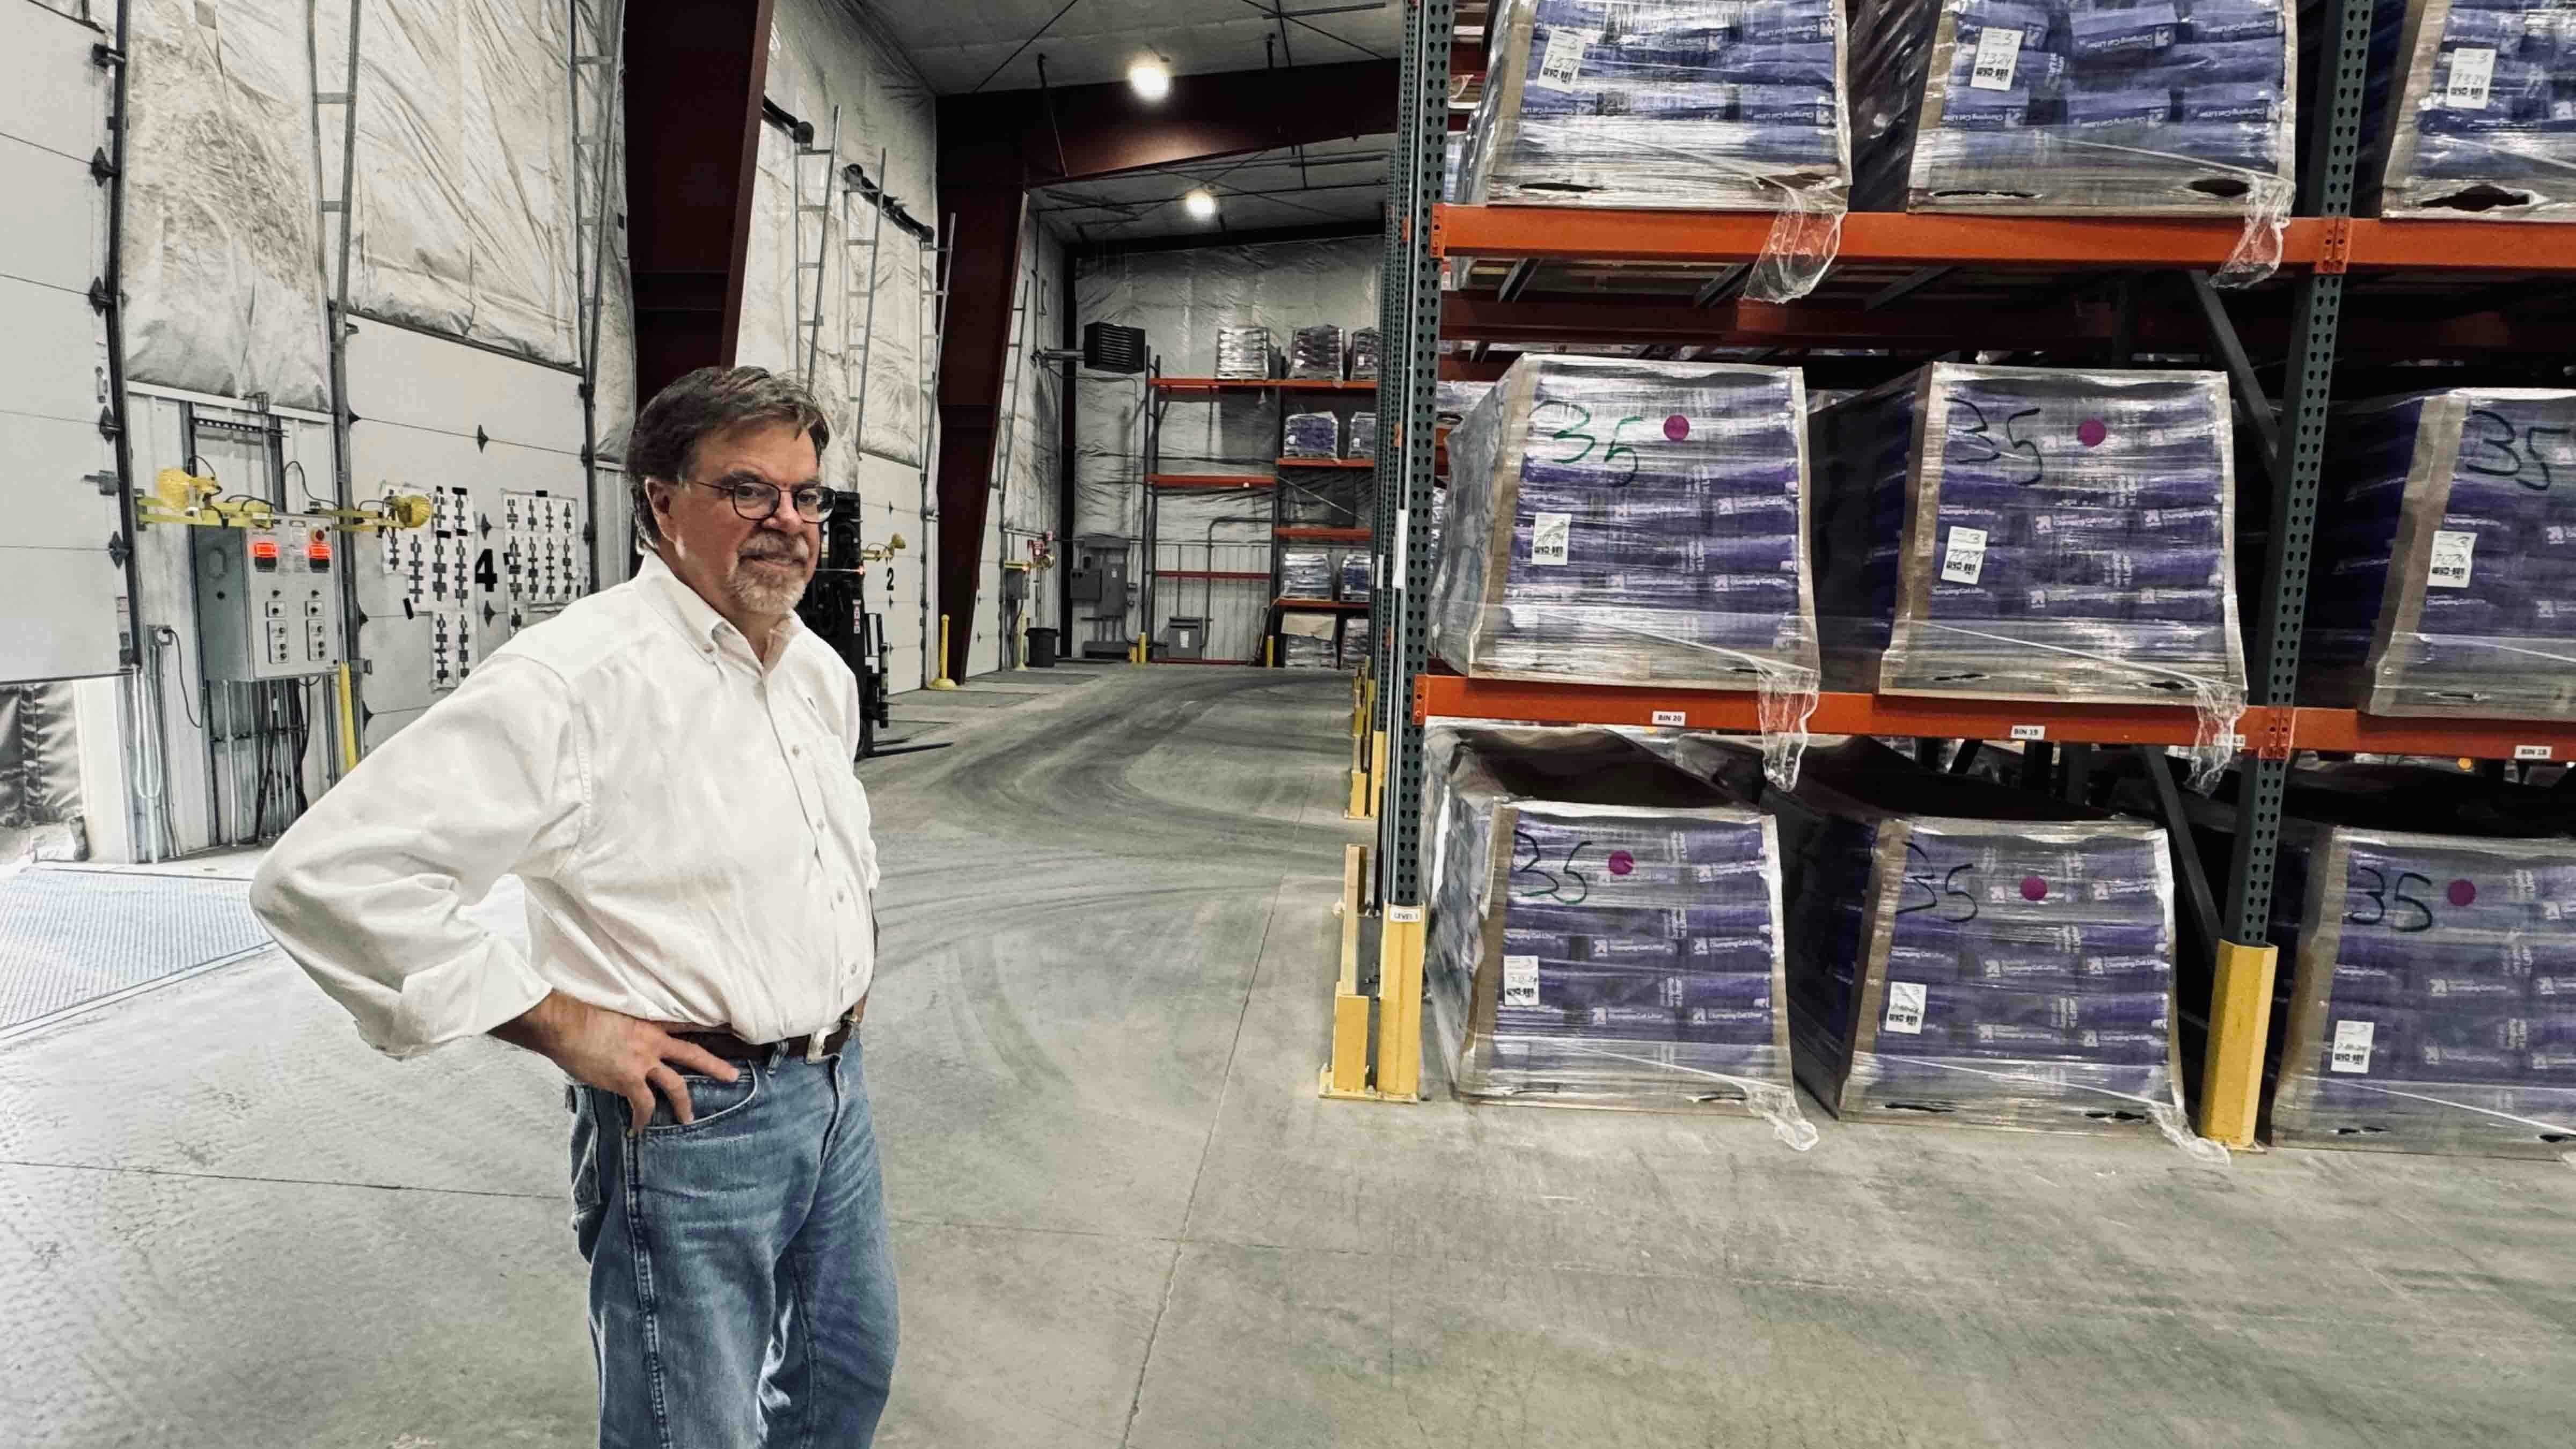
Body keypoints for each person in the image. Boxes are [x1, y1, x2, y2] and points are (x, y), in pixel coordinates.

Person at [253, 365, 897, 1446]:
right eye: (748, 491)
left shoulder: (814, 675)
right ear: (659, 502)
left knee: (846, 1374)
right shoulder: (574, 681)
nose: (787, 523)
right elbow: (325, 877)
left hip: (836, 1091)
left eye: (805, 496)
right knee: (688, 1426)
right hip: (696, 1115)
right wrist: (560, 1023)